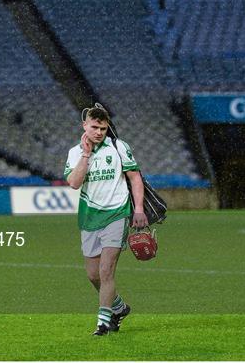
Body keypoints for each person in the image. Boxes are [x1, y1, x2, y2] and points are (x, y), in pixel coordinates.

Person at [64, 104, 148, 336]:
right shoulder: (74, 153)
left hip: (117, 214)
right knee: (93, 275)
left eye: (103, 127)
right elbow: (74, 183)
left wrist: (138, 209)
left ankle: (103, 323)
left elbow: (135, 178)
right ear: (85, 126)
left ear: (107, 127)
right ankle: (119, 308)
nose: (99, 132)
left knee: (106, 269)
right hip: (90, 218)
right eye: (94, 127)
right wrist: (86, 154)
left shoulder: (119, 147)